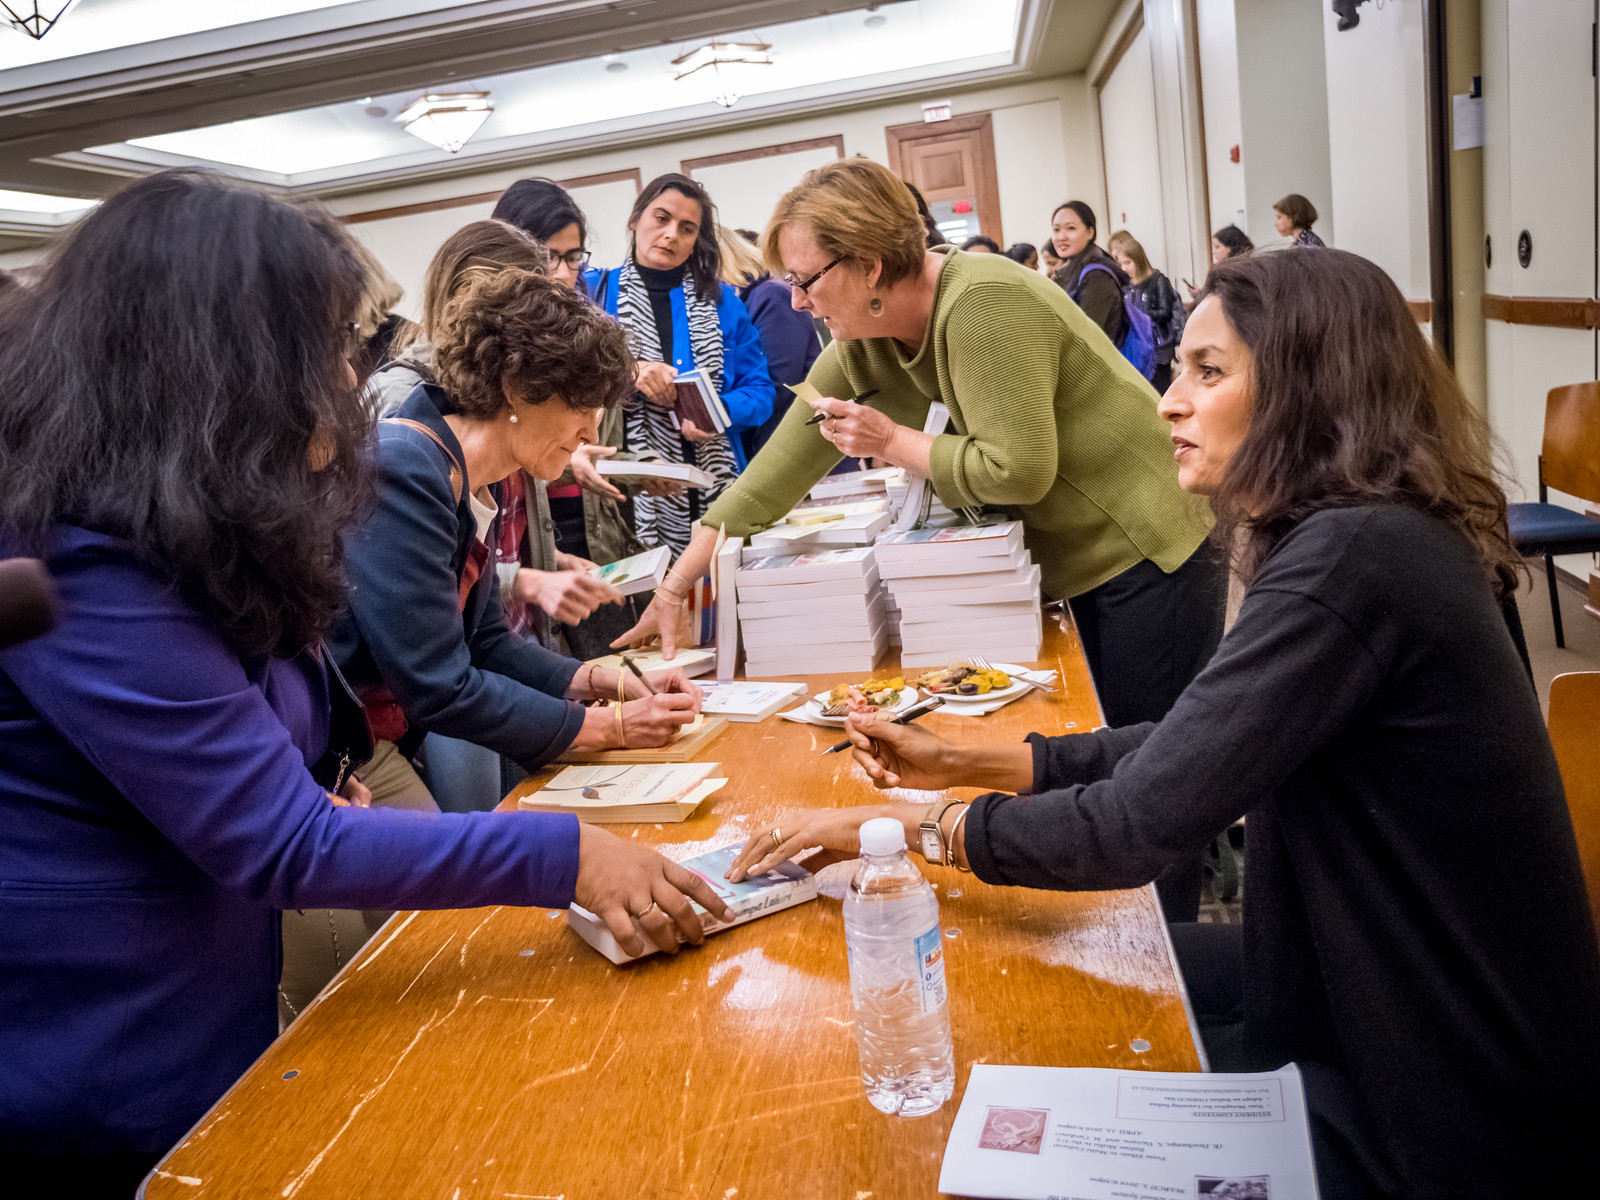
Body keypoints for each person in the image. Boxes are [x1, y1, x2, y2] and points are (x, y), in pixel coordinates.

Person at [726, 248, 1600, 1200]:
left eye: (1207, 371)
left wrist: (903, 836)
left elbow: (1140, 823)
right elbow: (1191, 738)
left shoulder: (1354, 561)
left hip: (1435, 1092)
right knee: (1036, 958)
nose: (1166, 402)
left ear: (1309, 386)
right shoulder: (1359, 534)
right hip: (1355, 986)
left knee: (1006, 1038)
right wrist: (960, 758)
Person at [0, 169, 732, 1196]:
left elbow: (279, 718)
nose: (345, 381)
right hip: (104, 1063)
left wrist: (309, 766)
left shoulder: (187, 515)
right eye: (327, 348)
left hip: (190, 1012)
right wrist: (563, 852)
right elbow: (279, 839)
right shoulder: (81, 555)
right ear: (222, 365)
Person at [618, 157, 1219, 920]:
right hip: (1078, 562)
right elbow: (771, 477)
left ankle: (1175, 951)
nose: (797, 304)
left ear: (869, 263)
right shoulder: (862, 341)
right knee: (1099, 765)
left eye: (807, 280)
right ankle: (1120, 919)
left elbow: (1019, 470)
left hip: (1146, 546)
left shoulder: (982, 302)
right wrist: (677, 583)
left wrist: (895, 441)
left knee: (1158, 778)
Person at [365, 220, 625, 819]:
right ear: (516, 386)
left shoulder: (467, 472)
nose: (589, 432)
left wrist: (594, 680)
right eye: (581, 407)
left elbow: (484, 642)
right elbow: (441, 686)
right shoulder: (408, 466)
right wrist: (602, 728)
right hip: (345, 748)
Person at [583, 173, 772, 555]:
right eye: (661, 218)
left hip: (717, 483)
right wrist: (631, 371)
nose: (671, 235)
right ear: (635, 219)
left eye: (687, 229)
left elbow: (762, 392)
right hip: (633, 491)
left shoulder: (722, 302)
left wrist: (716, 411)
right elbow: (574, 378)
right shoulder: (593, 294)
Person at [718, 225, 822, 460]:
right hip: (779, 446)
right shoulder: (749, 301)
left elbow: (779, 383)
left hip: (798, 450)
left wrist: (724, 408)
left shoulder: (770, 296)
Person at [1048, 199, 1136, 353]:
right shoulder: (1070, 268)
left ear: (1090, 232)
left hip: (1097, 369)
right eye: (1056, 230)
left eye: (1070, 228)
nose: (1061, 237)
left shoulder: (1097, 275)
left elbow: (1087, 338)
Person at [1108, 231, 1185, 394]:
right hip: (1137, 347)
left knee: (1159, 393)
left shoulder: (1158, 280)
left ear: (1138, 260)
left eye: (1127, 263)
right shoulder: (1126, 285)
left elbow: (1166, 313)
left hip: (1158, 348)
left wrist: (1140, 314)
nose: (1123, 268)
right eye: (1121, 264)